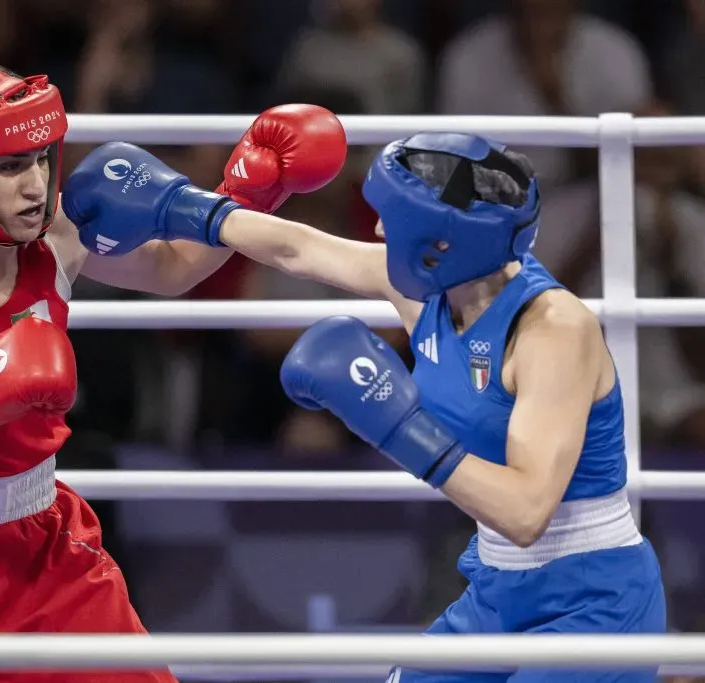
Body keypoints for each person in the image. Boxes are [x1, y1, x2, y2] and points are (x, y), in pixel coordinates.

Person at [0, 57, 346, 683]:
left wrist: (251, 190)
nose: (37, 184)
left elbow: (174, 269)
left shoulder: (56, 233)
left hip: (39, 548)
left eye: (42, 158)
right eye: (11, 166)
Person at [69, 132, 666, 682]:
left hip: (593, 602)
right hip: (498, 587)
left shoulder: (552, 330)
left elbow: (526, 511)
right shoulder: (429, 289)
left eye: (393, 221)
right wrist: (184, 208)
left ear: (440, 243)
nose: (379, 233)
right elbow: (298, 248)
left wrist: (398, 426)